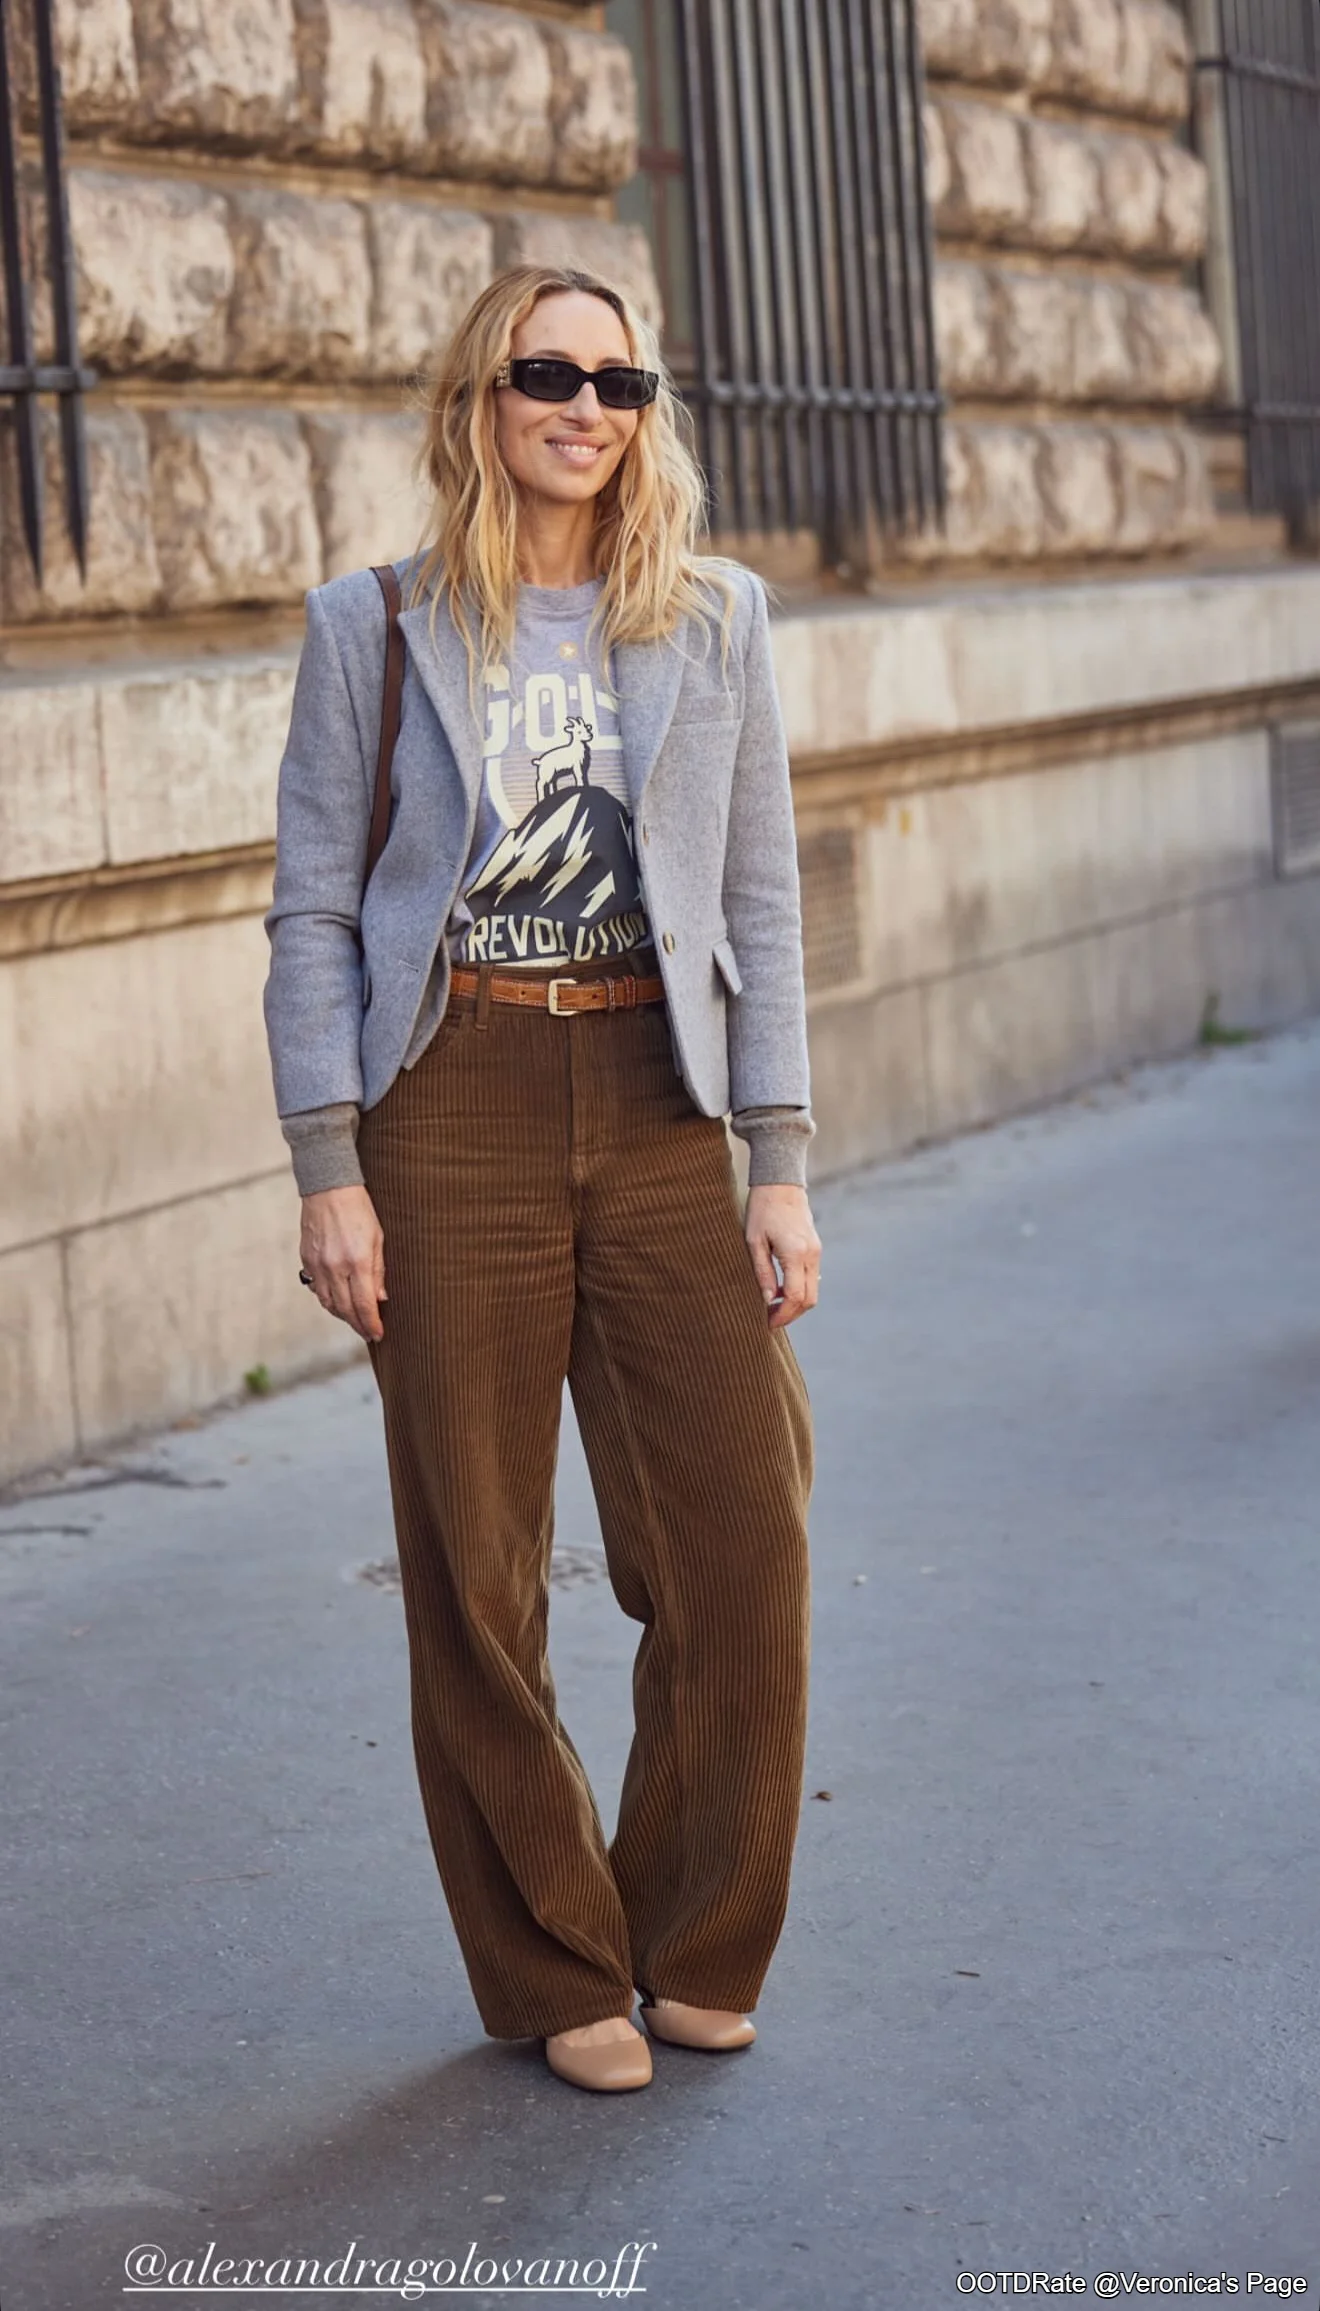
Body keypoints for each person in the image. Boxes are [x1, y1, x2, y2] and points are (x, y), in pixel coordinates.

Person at [263, 264, 822, 2094]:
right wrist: (326, 1163)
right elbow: (315, 910)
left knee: (739, 1533)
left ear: (648, 411)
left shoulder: (716, 617)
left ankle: (694, 1925)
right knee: (478, 1564)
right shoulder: (379, 624)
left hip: (662, 1097)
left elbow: (759, 900)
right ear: (481, 400)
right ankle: (556, 1957)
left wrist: (780, 1160)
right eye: (548, 373)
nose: (587, 405)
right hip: (451, 1101)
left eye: (621, 378)